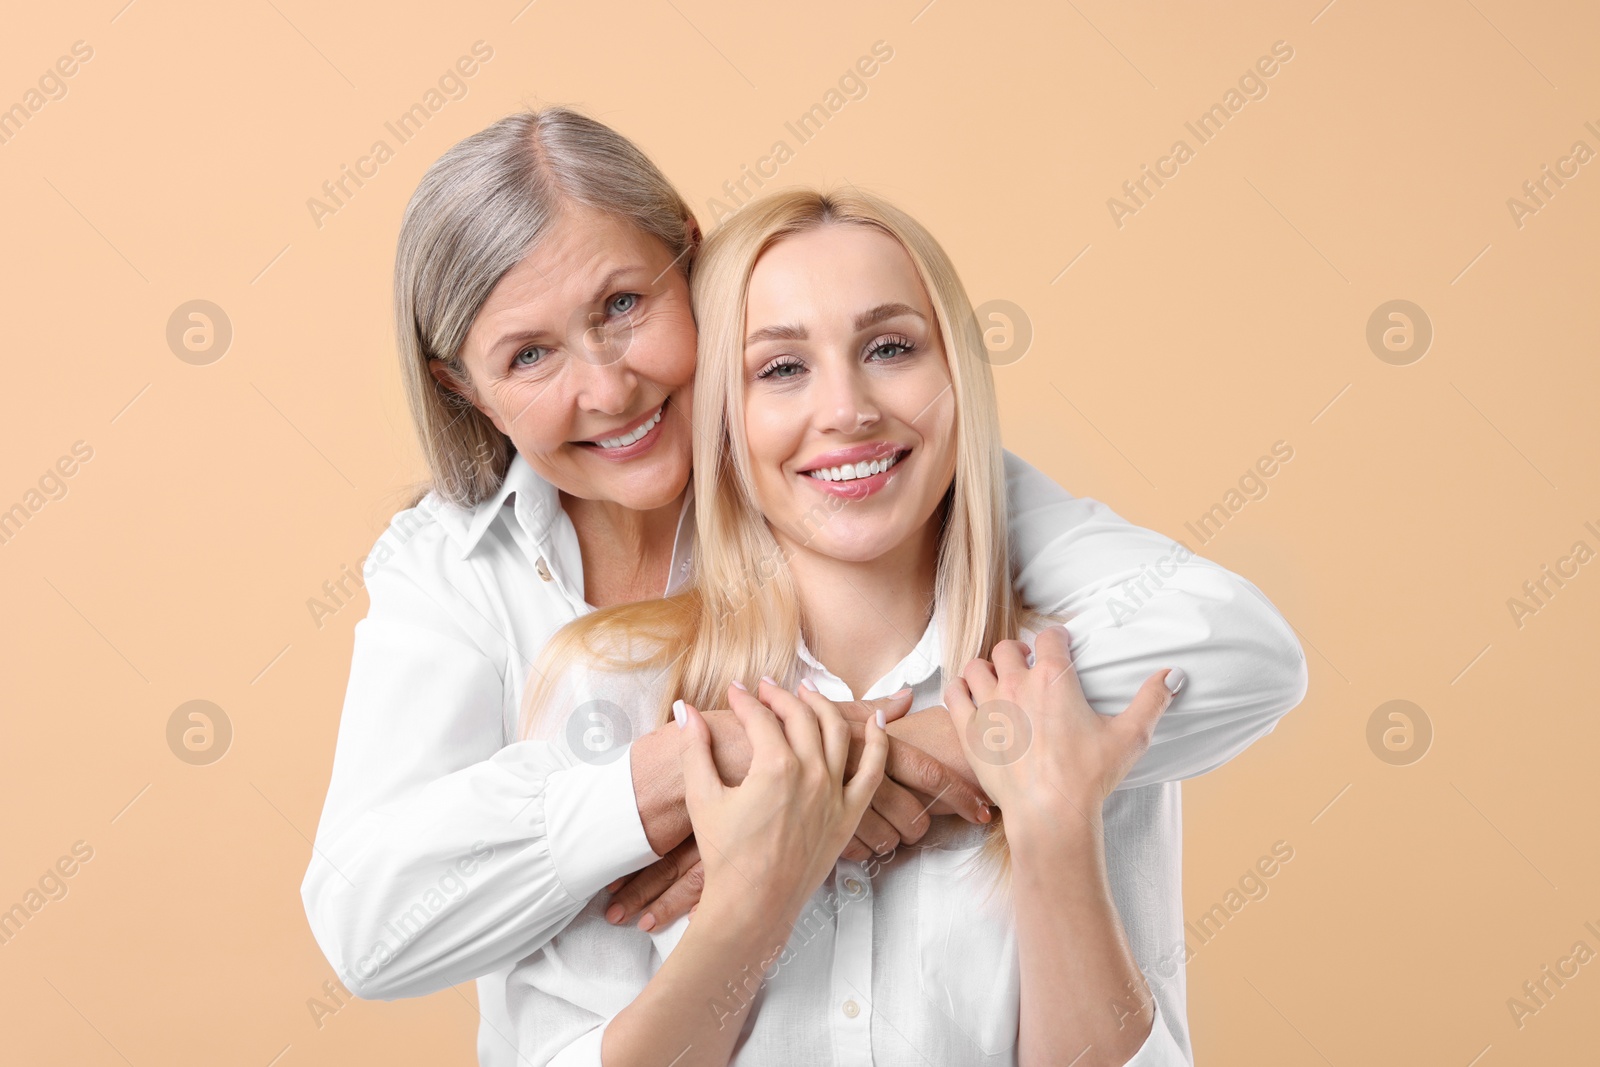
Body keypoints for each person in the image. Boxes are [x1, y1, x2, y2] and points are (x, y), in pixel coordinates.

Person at [299, 108, 1307, 1067]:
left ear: (691, 267)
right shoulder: (552, 650)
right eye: (528, 354)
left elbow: (1237, 646)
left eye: (622, 305)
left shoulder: (989, 600)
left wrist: (882, 761)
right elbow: (371, 925)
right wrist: (698, 794)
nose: (607, 390)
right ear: (463, 388)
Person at [508, 188, 1193, 1065]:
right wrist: (757, 895)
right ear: (724, 412)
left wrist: (1056, 832)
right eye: (781, 368)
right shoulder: (608, 684)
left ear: (958, 378)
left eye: (890, 348)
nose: (848, 409)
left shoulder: (1061, 688)